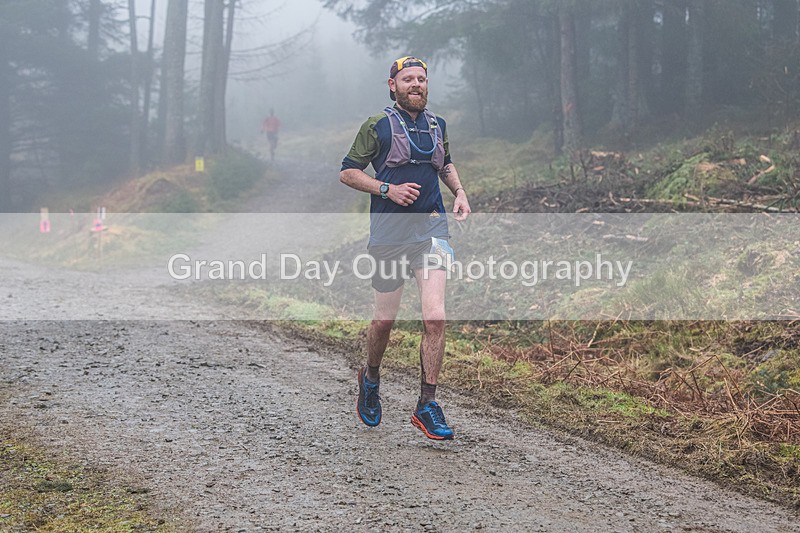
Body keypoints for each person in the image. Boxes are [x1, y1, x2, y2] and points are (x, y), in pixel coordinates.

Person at [339, 56, 471, 440]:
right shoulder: (377, 126)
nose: (416, 84)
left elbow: (444, 164)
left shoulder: (437, 124)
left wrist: (459, 193)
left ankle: (426, 404)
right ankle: (371, 377)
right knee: (384, 321)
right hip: (389, 233)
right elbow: (348, 171)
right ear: (392, 85)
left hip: (432, 229)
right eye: (408, 79)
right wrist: (386, 188)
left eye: (422, 79)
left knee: (435, 317)